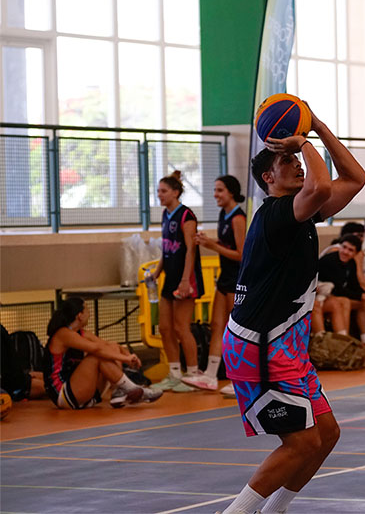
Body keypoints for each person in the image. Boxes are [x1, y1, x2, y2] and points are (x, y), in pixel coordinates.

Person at [219, 106, 365, 514]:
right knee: (300, 442)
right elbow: (320, 186)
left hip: (286, 347)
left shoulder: (301, 211)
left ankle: (275, 509)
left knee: (326, 433)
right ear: (269, 177)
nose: (299, 164)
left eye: (298, 159)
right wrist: (302, 139)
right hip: (259, 346)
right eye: (288, 161)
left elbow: (356, 178)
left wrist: (318, 127)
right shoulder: (277, 214)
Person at [182, 175, 247, 394]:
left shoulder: (238, 218)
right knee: (217, 326)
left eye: (220, 190)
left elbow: (241, 254)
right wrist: (209, 241)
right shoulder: (223, 214)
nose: (215, 194)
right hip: (225, 278)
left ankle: (242, 379)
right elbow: (225, 245)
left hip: (237, 279)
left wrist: (212, 245)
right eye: (215, 190)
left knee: (236, 330)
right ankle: (210, 375)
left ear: (231, 192)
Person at [43, 298, 161, 409]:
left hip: (80, 391)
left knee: (111, 347)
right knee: (96, 356)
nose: (89, 313)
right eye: (87, 309)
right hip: (63, 394)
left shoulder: (80, 332)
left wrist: (126, 354)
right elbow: (96, 349)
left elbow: (106, 345)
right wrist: (125, 359)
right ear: (80, 315)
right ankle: (130, 388)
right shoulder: (63, 334)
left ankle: (118, 391)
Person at [150, 171, 205, 393]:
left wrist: (185, 280)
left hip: (185, 277)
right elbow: (166, 248)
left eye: (163, 191)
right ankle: (174, 375)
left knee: (182, 328)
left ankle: (192, 375)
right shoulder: (166, 214)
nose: (159, 195)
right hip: (169, 277)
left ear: (175, 192)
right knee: (165, 327)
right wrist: (157, 271)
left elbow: (191, 249)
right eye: (158, 191)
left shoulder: (186, 216)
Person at [313, 234, 365, 358]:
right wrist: (363, 296)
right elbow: (339, 289)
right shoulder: (330, 260)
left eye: (350, 250)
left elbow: (354, 285)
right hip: (321, 296)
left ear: (355, 254)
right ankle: (342, 343)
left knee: (362, 303)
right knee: (344, 302)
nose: (345, 252)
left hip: (330, 296)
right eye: (344, 247)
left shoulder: (351, 263)